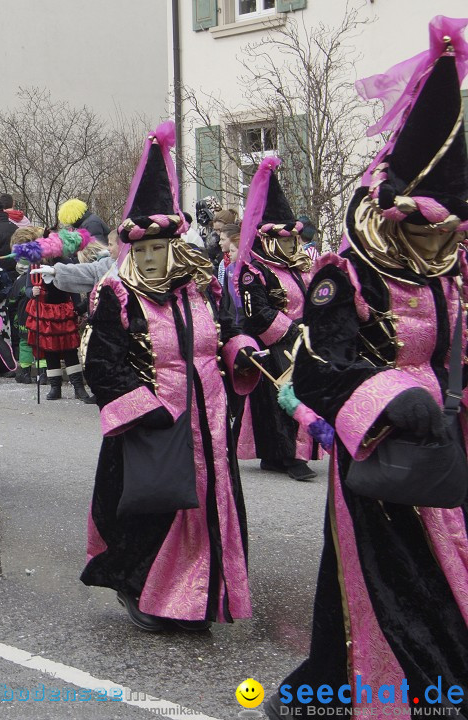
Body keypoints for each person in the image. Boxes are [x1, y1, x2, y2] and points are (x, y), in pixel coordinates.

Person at [267, 23, 468, 718]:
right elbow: (322, 370)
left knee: (438, 576)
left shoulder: (450, 272)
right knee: (391, 585)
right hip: (382, 447)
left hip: (447, 441)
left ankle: (316, 694)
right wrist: (392, 400)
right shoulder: (345, 275)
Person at [80, 122, 261, 634]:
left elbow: (231, 332)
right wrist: (147, 412)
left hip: (209, 418)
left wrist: (242, 353)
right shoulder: (116, 296)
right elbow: (103, 366)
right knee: (152, 509)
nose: (149, 258)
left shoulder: (203, 289)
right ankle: (142, 586)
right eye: (141, 250)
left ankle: (199, 595)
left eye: (158, 248)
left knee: (206, 504)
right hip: (153, 425)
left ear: (174, 246)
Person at [234, 157, 319, 481]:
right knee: (279, 401)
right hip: (274, 346)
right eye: (284, 240)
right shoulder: (254, 271)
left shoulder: (299, 267)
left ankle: (287, 453)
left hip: (303, 341)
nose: (291, 244)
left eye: (292, 239)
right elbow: (257, 313)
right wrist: (292, 331)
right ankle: (286, 455)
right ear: (269, 239)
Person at [14, 227, 95, 402]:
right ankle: (55, 387)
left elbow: (73, 287)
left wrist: (76, 309)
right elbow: (28, 288)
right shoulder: (34, 264)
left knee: (69, 349)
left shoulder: (65, 262)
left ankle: (78, 387)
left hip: (64, 310)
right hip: (44, 312)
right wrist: (31, 292)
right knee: (49, 349)